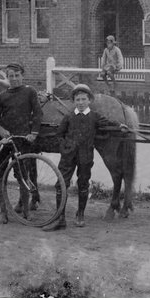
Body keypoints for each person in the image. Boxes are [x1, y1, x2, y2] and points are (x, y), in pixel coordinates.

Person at [0, 63, 42, 217]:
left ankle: (26, 212)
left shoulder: (29, 92)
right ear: (7, 77)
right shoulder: (2, 96)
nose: (14, 79)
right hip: (5, 141)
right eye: (10, 76)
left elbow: (38, 114)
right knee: (0, 176)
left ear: (22, 75)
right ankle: (3, 212)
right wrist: (1, 130)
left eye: (17, 75)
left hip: (21, 141)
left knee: (22, 176)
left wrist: (33, 133)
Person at [54, 82, 98, 228]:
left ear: (89, 100)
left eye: (83, 99)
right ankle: (60, 217)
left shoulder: (94, 117)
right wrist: (65, 147)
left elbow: (108, 123)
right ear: (73, 101)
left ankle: (80, 213)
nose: (80, 102)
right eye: (77, 100)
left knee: (83, 184)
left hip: (85, 157)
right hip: (68, 156)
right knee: (61, 184)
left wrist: (120, 126)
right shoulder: (68, 117)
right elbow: (59, 134)